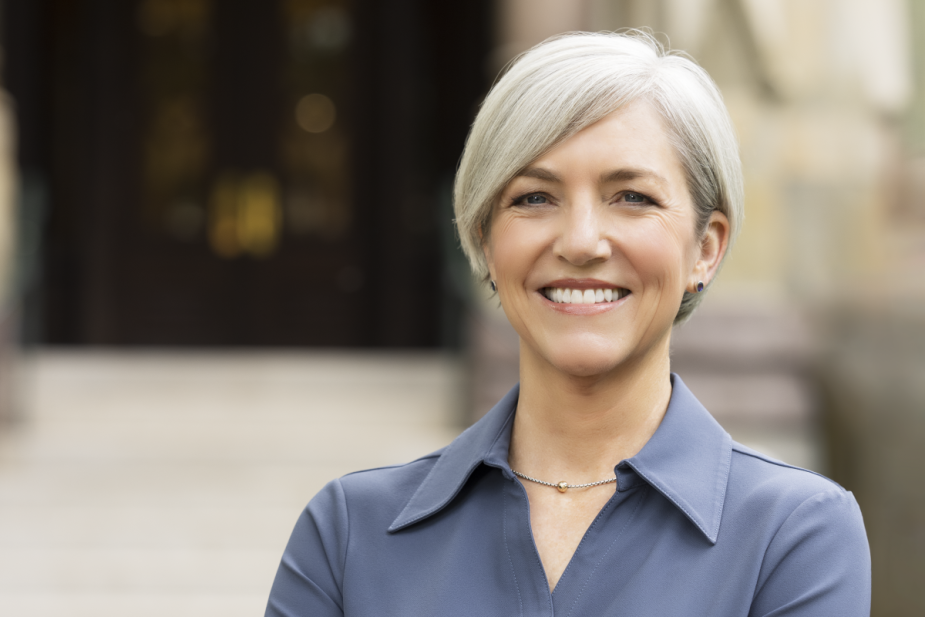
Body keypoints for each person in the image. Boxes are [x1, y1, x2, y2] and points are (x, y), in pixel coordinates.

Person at [265, 31, 870, 616]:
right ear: (484, 240)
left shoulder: (793, 533)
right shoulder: (348, 535)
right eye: (534, 198)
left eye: (632, 196)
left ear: (705, 249)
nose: (581, 242)